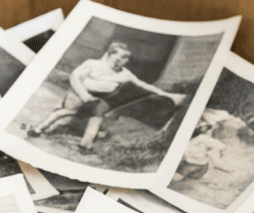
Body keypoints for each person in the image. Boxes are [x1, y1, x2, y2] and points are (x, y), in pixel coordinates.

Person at [25, 41, 186, 153]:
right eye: (117, 57)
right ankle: (39, 129)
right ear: (109, 54)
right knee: (65, 113)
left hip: (100, 98)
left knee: (97, 117)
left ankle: (85, 145)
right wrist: (83, 94)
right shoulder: (92, 64)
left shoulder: (125, 74)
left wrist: (167, 95)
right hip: (79, 93)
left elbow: (144, 85)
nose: (119, 61)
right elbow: (75, 76)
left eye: (124, 59)